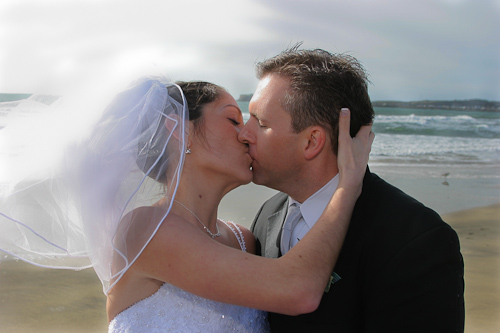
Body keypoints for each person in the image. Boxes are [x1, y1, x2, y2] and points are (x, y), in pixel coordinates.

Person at [0, 77, 374, 332]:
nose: (247, 134)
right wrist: (347, 187)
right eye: (233, 119)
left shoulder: (245, 239)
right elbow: (299, 290)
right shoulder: (145, 230)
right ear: (177, 129)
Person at [239, 46, 465, 332]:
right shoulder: (268, 216)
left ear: (311, 142)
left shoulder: (416, 238)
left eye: (259, 122)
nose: (244, 134)